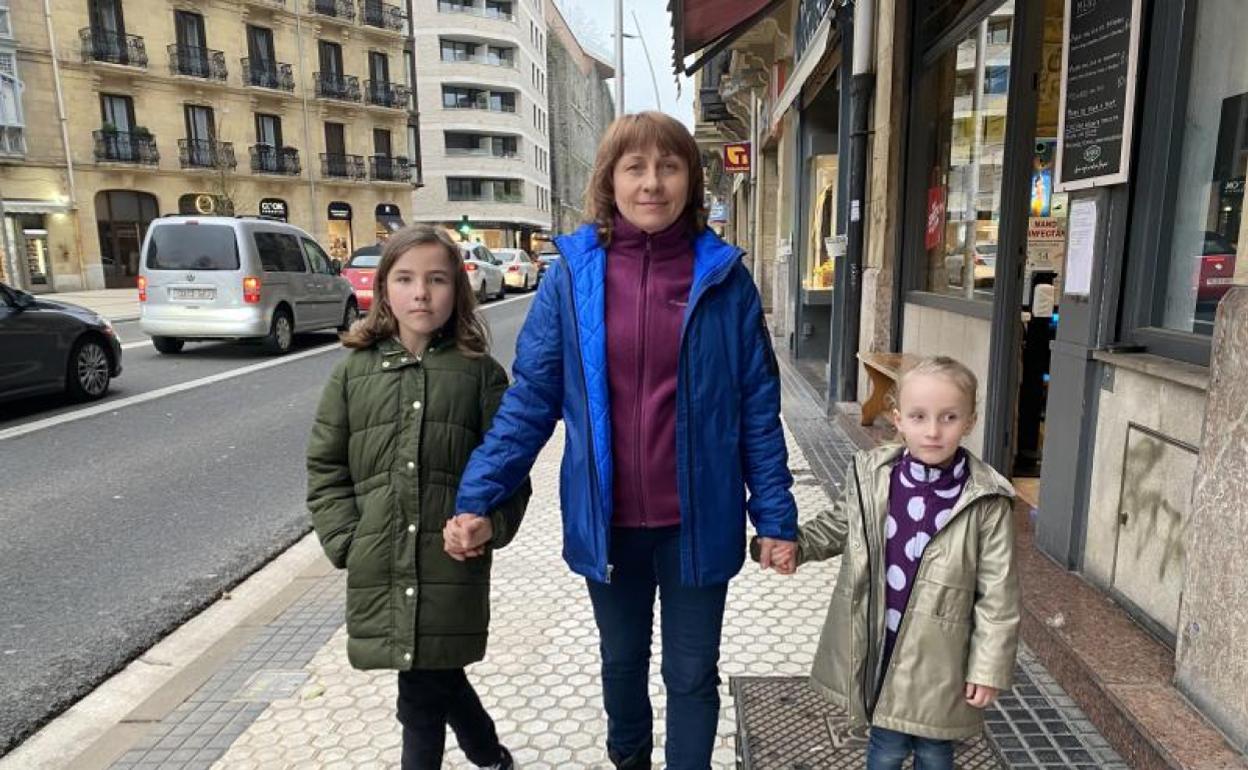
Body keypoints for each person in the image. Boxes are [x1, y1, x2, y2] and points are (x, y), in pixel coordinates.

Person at [449, 111, 798, 770]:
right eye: (634, 167)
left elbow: (756, 407)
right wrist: (476, 497)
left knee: (692, 675)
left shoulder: (724, 279)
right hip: (606, 520)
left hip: (699, 519)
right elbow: (531, 399)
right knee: (621, 668)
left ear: (691, 180)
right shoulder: (572, 277)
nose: (652, 183)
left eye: (668, 166)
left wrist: (775, 517)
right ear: (609, 180)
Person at [306, 225, 530, 770]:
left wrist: (489, 526)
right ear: (383, 290)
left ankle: (491, 758)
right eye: (405, 279)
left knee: (422, 694)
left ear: (459, 288)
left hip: (452, 562)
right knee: (435, 678)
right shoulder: (352, 374)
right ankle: (492, 758)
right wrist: (347, 541)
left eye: (436, 279)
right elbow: (326, 466)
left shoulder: (479, 375)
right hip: (380, 560)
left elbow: (511, 472)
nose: (421, 293)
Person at [765, 355, 1019, 769]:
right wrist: (798, 545)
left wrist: (988, 668)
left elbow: (999, 597)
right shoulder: (873, 476)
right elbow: (840, 525)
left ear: (969, 422)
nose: (933, 431)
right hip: (881, 640)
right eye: (919, 417)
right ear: (898, 419)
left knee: (936, 751)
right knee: (885, 745)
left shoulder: (986, 501)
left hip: (943, 657)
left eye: (948, 417)